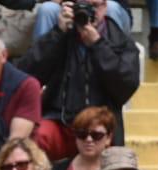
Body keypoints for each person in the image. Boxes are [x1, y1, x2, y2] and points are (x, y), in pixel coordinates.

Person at [18, 0, 139, 161]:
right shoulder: (62, 34)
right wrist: (57, 33)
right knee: (35, 139)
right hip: (60, 121)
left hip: (100, 125)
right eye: (84, 5)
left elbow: (125, 87)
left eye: (94, 6)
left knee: (112, 156)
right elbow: (26, 75)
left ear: (105, 7)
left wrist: (98, 45)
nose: (89, 12)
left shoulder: (120, 40)